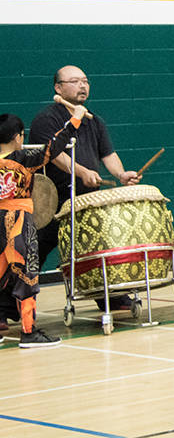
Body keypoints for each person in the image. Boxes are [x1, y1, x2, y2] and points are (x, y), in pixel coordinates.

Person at [29, 66, 139, 309]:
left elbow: (108, 154)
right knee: (32, 253)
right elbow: (55, 155)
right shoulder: (47, 119)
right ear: (58, 88)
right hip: (52, 202)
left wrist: (121, 174)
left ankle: (110, 297)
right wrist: (82, 172)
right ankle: (9, 307)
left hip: (86, 200)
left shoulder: (93, 119)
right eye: (75, 81)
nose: (82, 86)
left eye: (85, 81)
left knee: (95, 249)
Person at [0, 96, 88, 347]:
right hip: (18, 223)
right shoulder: (24, 160)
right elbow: (55, 145)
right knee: (27, 276)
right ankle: (28, 332)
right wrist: (76, 118)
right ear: (19, 136)